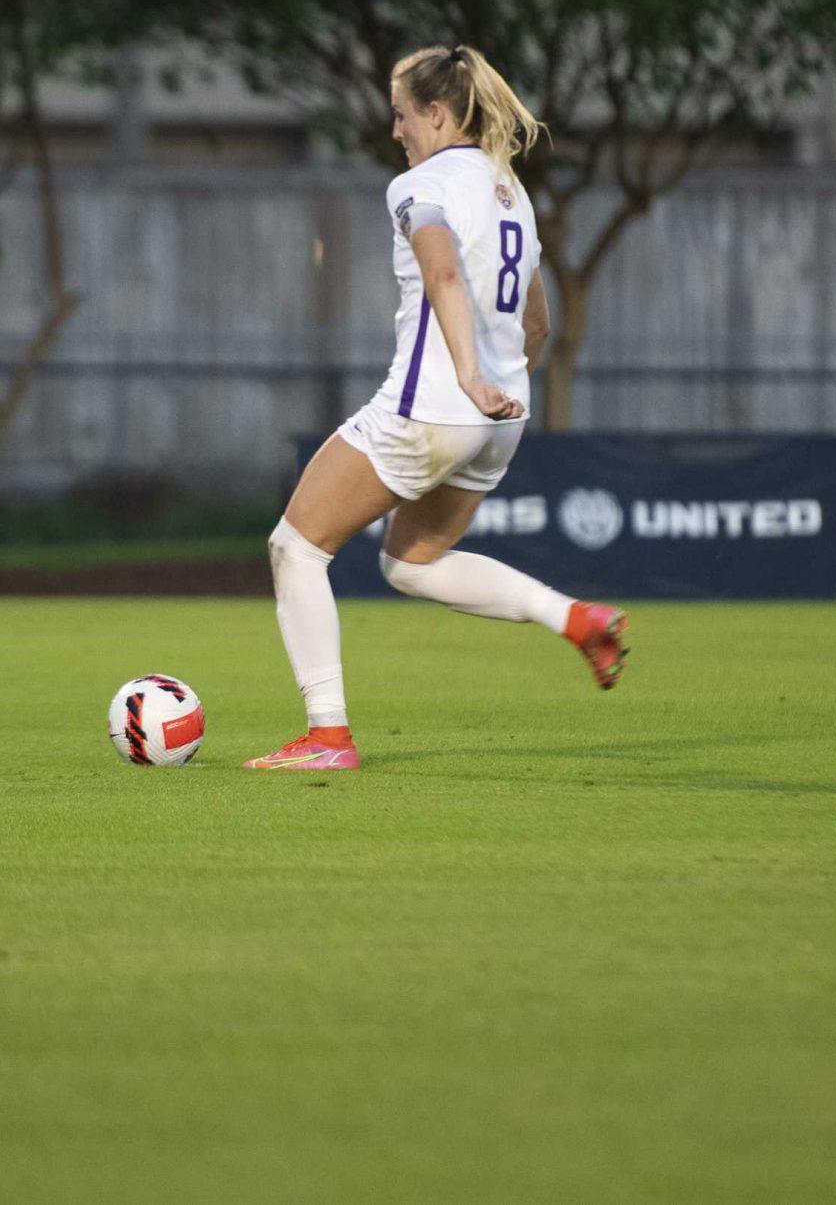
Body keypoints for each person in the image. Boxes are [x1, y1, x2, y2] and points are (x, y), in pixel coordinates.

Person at [246, 46, 627, 773]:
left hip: (437, 405)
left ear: (436, 112)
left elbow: (442, 268)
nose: (394, 130)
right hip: (498, 422)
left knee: (295, 548)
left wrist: (469, 379)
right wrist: (497, 394)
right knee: (413, 561)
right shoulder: (511, 191)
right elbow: (538, 321)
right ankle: (576, 618)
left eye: (400, 113)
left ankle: (327, 736)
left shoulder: (421, 184)